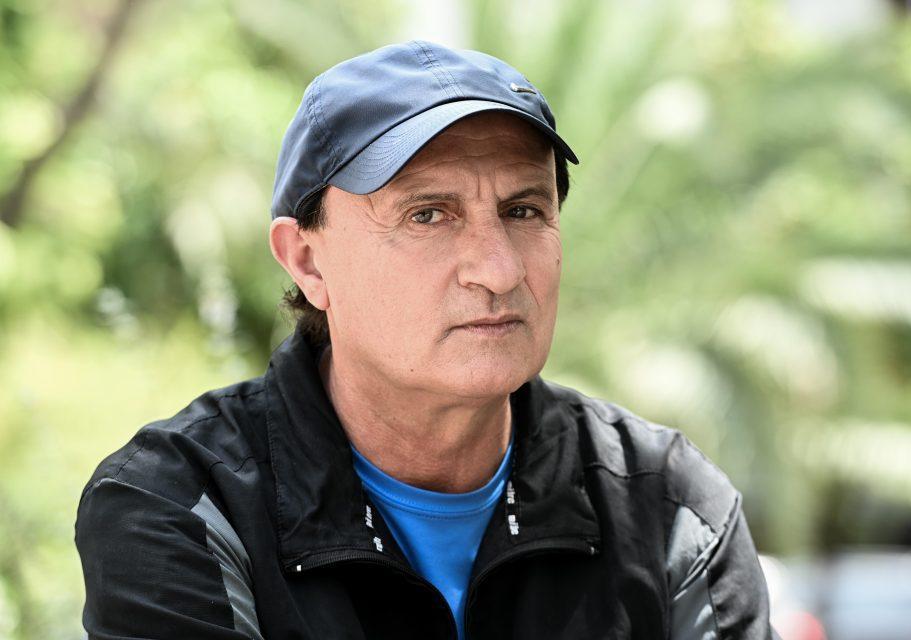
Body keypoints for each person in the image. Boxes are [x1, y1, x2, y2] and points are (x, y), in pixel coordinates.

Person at [75, 40, 777, 639]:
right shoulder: (182, 506)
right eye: (429, 215)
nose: (499, 270)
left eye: (523, 210)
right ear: (308, 262)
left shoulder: (669, 510)